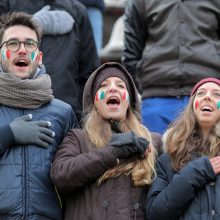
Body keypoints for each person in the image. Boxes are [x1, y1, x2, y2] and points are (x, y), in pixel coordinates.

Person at [50, 62, 162, 220]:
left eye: (121, 86)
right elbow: (60, 176)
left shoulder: (154, 142)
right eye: (103, 85)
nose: (113, 89)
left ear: (130, 101)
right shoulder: (78, 138)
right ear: (94, 101)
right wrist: (114, 151)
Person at [0, 12, 77, 219]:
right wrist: (8, 135)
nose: (22, 50)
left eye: (30, 44)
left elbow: (75, 178)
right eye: (13, 43)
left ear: (39, 56)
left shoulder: (63, 112)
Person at [122, 0, 220, 135]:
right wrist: (145, 85)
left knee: (211, 154)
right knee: (152, 153)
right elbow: (131, 53)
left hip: (210, 98)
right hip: (156, 99)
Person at [0, 0, 100, 121]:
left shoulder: (77, 12)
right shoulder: (5, 5)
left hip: (65, 120)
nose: (22, 50)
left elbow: (89, 76)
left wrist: (80, 124)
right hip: (8, 114)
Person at [145, 78, 220, 220]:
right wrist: (194, 173)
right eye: (201, 93)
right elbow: (155, 214)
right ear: (192, 107)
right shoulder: (168, 159)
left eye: (217, 94)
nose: (207, 97)